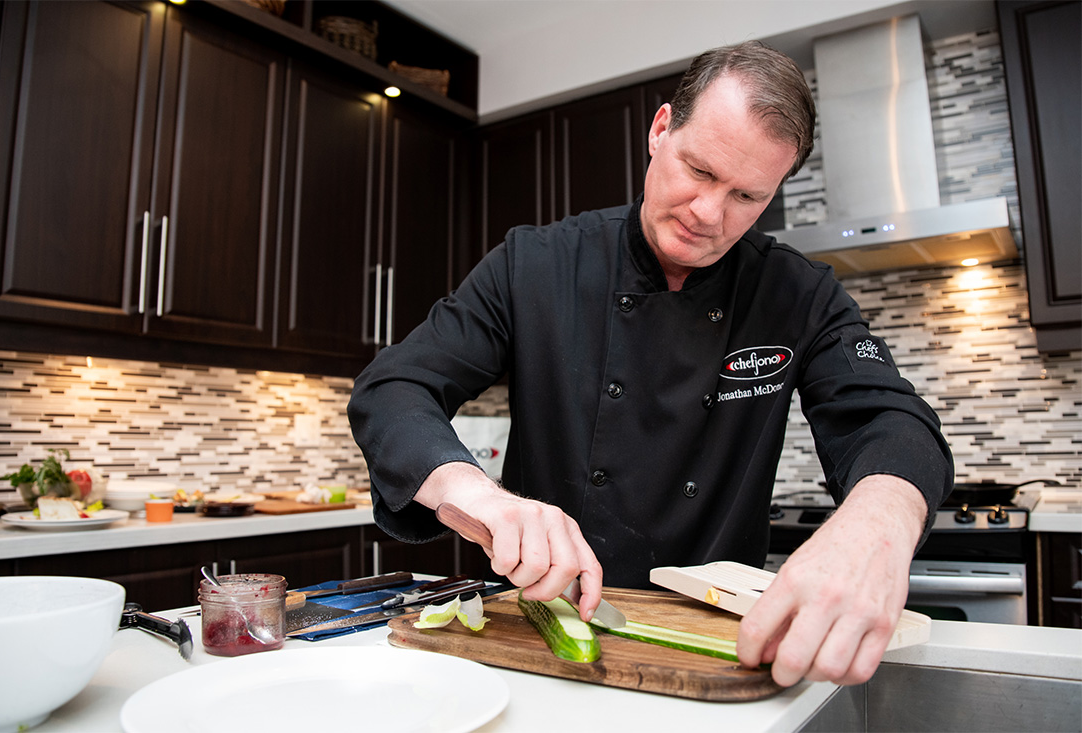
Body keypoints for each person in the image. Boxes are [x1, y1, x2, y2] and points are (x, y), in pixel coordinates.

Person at [348, 41, 953, 687]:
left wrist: (878, 524)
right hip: (541, 627)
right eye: (698, 169)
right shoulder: (536, 264)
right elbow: (395, 386)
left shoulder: (802, 294)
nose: (708, 214)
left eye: (747, 196)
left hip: (714, 647)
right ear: (661, 130)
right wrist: (476, 495)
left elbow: (888, 417)